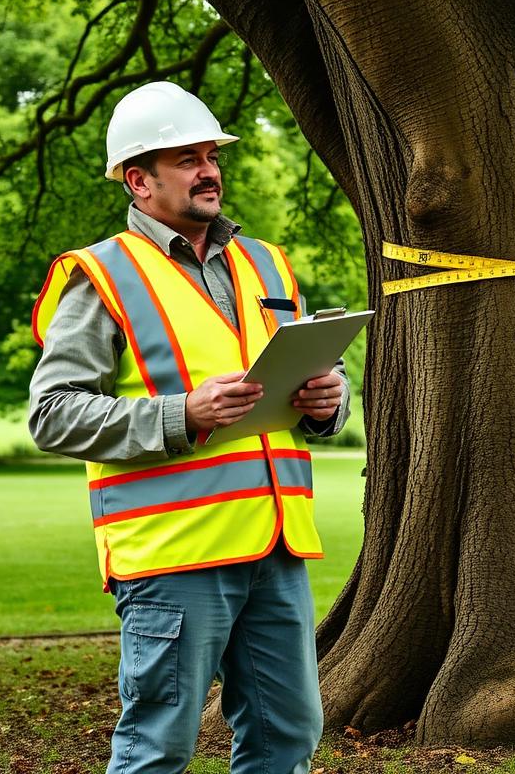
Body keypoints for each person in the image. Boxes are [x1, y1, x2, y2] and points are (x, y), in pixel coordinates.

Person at [28, 80, 350, 774]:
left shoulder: (266, 263)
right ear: (139, 181)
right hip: (175, 558)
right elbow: (52, 415)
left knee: (288, 738)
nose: (209, 171)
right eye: (186, 159)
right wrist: (184, 414)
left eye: (211, 156)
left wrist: (329, 401)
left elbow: (305, 375)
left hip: (275, 547)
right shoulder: (100, 275)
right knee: (158, 748)